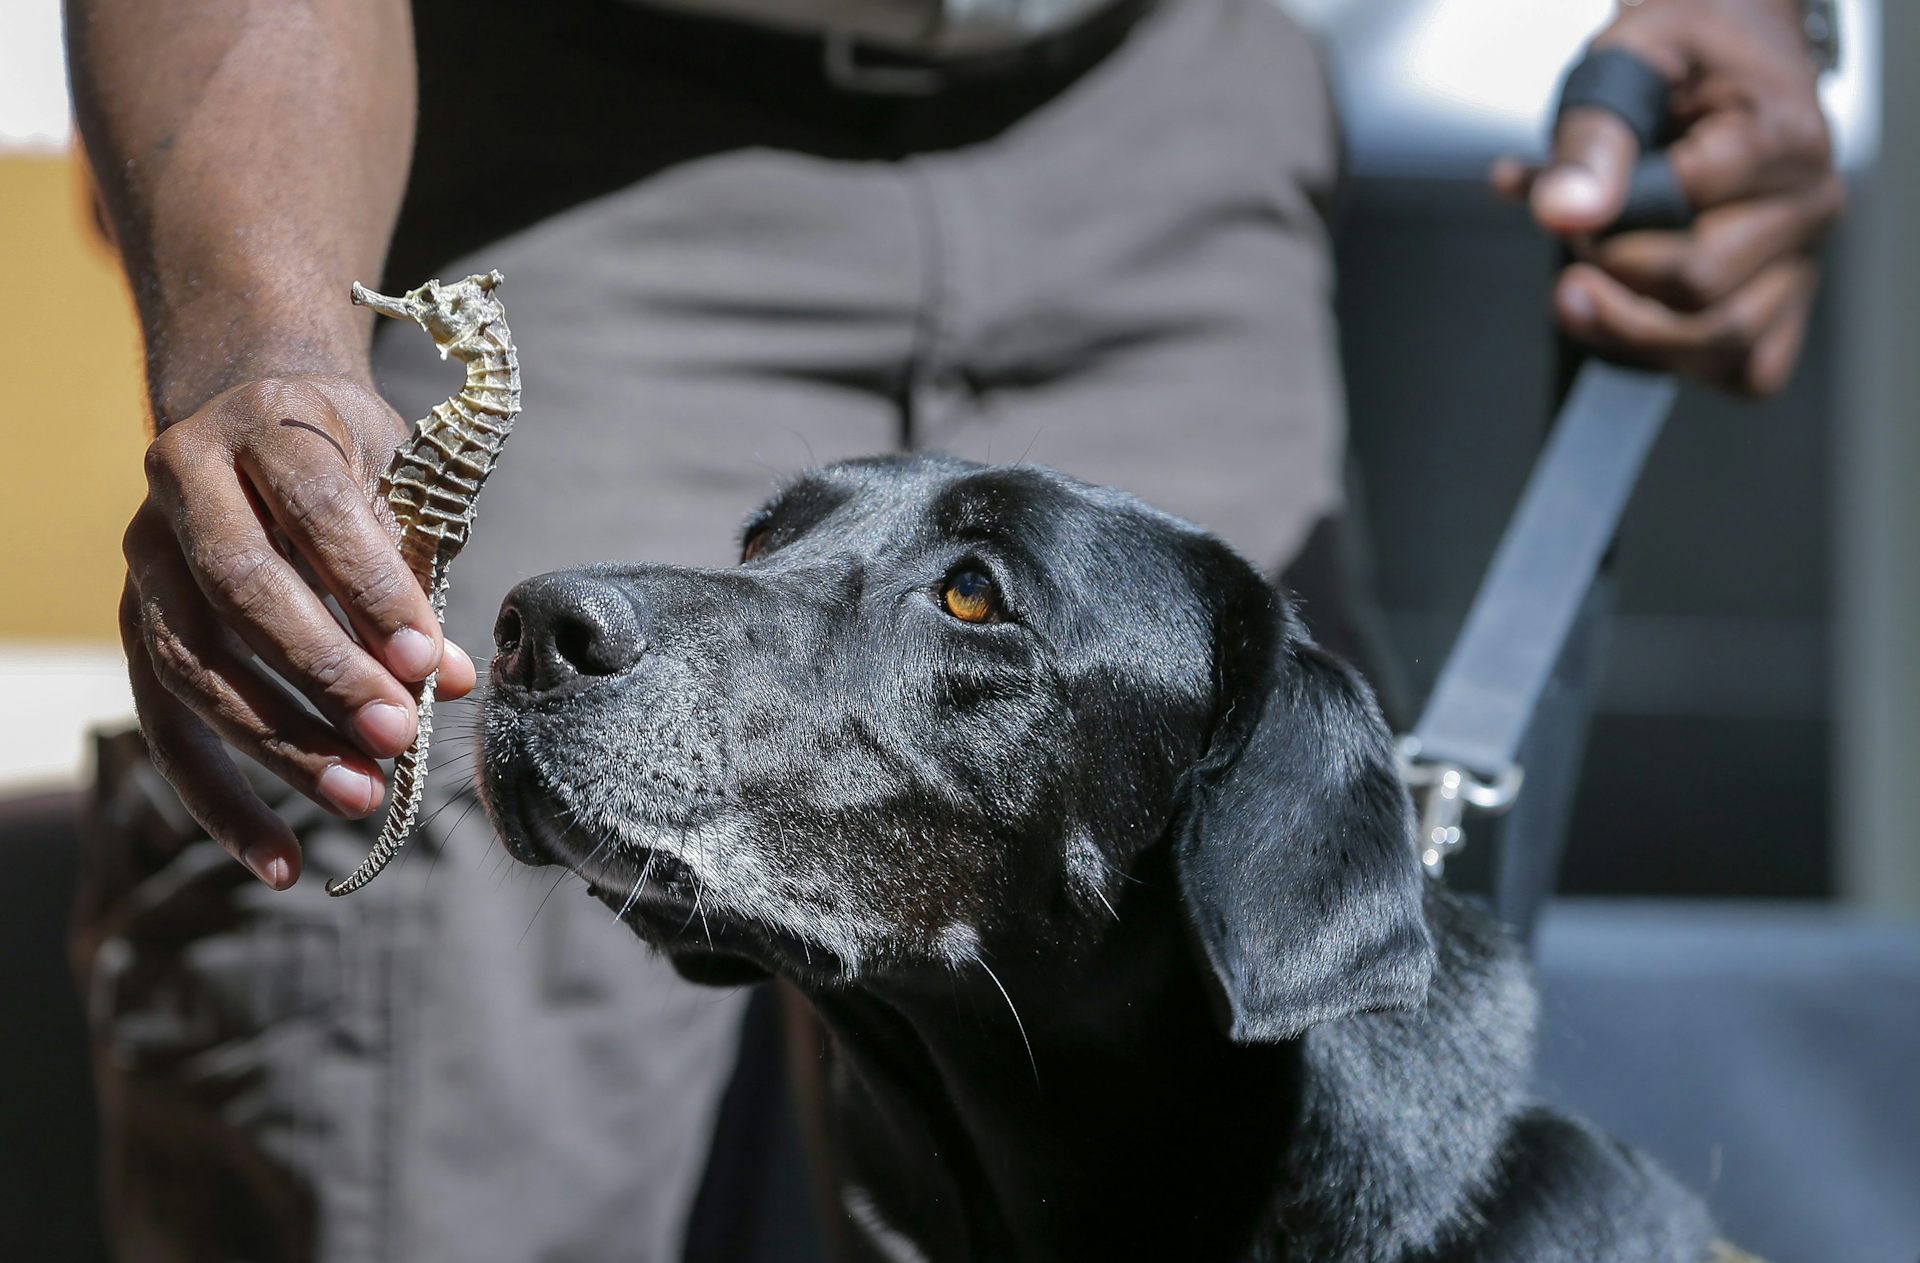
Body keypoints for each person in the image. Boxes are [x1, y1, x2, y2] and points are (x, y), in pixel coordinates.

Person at [66, 0, 1840, 1258]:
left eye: (970, 605)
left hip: (1167, 101)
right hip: (563, 102)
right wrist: (268, 355)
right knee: (423, 1121)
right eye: (773, 551)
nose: (578, 622)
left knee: (1247, 1051)